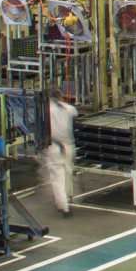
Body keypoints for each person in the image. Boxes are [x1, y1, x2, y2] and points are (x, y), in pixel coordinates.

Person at [43, 88, 78, 217]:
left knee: (57, 178)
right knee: (68, 173)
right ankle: (66, 198)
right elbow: (75, 113)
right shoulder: (68, 108)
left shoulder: (47, 110)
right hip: (68, 146)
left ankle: (64, 207)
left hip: (55, 147)